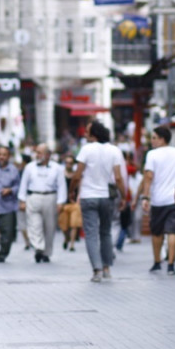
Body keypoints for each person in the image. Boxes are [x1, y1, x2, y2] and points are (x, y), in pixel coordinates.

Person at [71, 121, 127, 282]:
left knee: (91, 234)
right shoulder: (114, 150)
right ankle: (107, 268)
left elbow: (77, 175)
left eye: (87, 131)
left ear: (94, 134)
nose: (85, 134)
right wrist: (123, 197)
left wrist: (72, 191)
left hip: (88, 196)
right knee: (106, 232)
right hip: (106, 197)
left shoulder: (86, 149)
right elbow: (118, 177)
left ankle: (96, 270)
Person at [137, 126, 175, 276]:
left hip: (158, 199)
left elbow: (148, 177)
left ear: (162, 139)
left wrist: (145, 197)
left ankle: (157, 262)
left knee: (157, 232)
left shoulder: (152, 154)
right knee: (173, 231)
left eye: (154, 138)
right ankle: (171, 264)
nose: (151, 141)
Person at [17, 144, 65, 263]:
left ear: (48, 154)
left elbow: (61, 186)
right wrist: (22, 200)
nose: (37, 155)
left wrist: (61, 202)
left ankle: (46, 252)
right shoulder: (29, 167)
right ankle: (38, 247)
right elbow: (23, 184)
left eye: (40, 152)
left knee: (50, 226)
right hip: (33, 196)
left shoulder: (57, 168)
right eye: (36, 152)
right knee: (34, 224)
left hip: (50, 197)